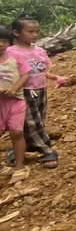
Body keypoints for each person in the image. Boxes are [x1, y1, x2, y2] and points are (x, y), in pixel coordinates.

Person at [7, 15, 66, 169]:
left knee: (39, 118)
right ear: (16, 33)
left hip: (40, 89)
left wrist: (55, 77)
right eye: (30, 32)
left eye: (36, 32)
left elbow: (40, 71)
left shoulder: (39, 50)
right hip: (23, 91)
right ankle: (46, 149)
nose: (34, 35)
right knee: (31, 121)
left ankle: (25, 148)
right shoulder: (11, 52)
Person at [0, 26, 31, 184]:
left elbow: (25, 74)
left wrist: (14, 88)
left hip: (16, 101)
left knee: (16, 132)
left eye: (4, 40)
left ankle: (19, 166)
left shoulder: (15, 57)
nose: (1, 44)